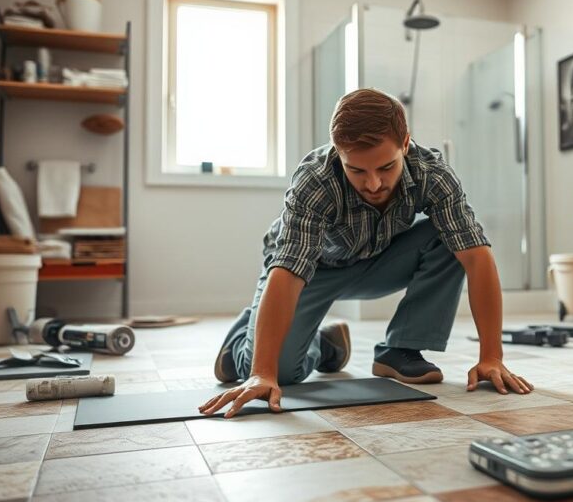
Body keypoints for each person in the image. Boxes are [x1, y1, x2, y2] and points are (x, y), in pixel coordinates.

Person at [200, 88, 533, 418]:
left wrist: (492, 356)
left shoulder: (432, 173)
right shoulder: (315, 180)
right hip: (310, 272)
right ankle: (299, 340)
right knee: (280, 374)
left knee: (454, 239)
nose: (373, 184)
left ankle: (399, 349)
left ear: (405, 144)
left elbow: (477, 257)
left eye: (386, 167)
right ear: (338, 153)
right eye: (356, 171)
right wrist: (261, 373)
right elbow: (287, 272)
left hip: (376, 263)